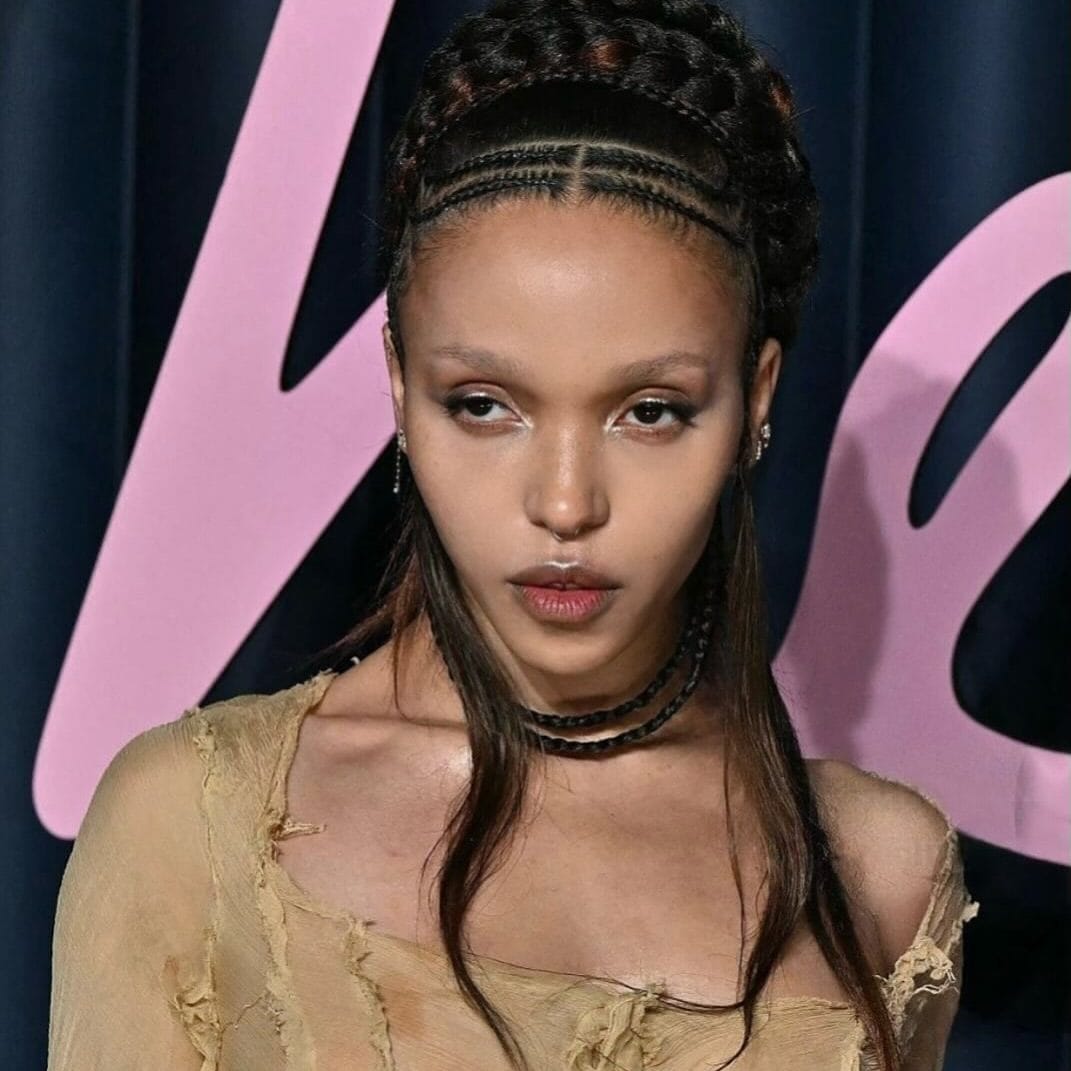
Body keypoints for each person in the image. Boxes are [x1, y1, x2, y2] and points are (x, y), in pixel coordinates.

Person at [48, 2, 981, 1069]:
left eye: (650, 411)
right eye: (485, 405)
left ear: (754, 397)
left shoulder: (881, 872)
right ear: (400, 385)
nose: (566, 503)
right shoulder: (192, 823)